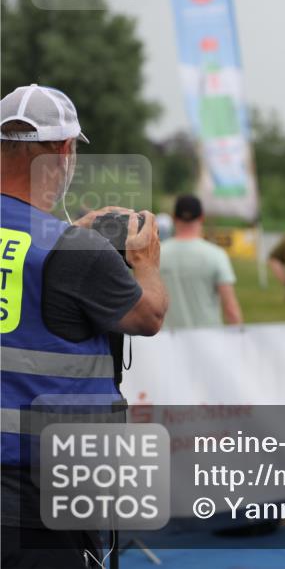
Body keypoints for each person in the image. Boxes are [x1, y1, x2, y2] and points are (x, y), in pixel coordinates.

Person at [0, 84, 167, 567]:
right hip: (40, 494)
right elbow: (148, 315)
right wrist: (145, 261)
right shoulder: (69, 250)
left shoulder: (67, 246)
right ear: (64, 151)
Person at [160, 194, 243, 328]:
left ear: (174, 218)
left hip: (167, 341)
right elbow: (231, 309)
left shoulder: (156, 254)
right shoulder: (217, 255)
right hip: (208, 340)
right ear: (202, 218)